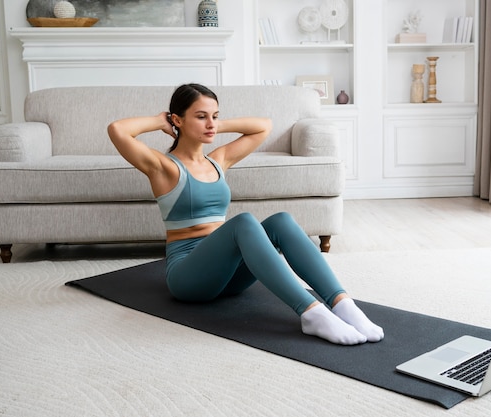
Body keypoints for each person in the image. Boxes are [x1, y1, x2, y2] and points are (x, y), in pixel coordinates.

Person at [107, 83, 383, 345]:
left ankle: (343, 305)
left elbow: (263, 127)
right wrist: (160, 120)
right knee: (243, 223)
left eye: (214, 115)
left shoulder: (218, 160)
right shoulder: (163, 166)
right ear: (178, 120)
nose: (211, 123)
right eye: (201, 116)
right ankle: (311, 313)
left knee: (281, 221)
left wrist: (216, 125)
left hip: (227, 277)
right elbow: (117, 130)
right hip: (188, 277)